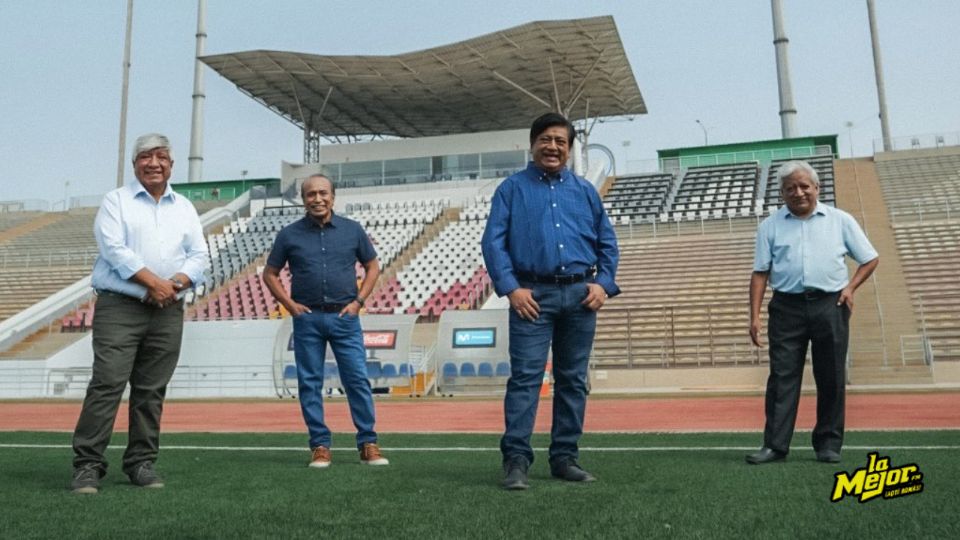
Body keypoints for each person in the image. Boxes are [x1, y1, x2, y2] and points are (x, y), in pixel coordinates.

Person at [481, 112, 620, 490]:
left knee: (572, 380)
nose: (553, 146)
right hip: (531, 297)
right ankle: (516, 461)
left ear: (570, 148)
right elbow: (493, 243)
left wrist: (603, 284)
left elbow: (607, 243)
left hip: (580, 296)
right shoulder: (511, 189)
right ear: (532, 144)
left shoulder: (585, 192)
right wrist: (511, 288)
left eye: (560, 140)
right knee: (525, 380)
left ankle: (564, 457)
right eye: (545, 139)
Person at [71, 134, 209, 494]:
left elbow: (199, 257)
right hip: (121, 306)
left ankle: (141, 463)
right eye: (146, 156)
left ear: (171, 165)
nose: (154, 163)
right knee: (107, 384)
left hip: (168, 308)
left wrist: (173, 284)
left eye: (161, 157)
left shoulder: (185, 208)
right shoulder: (116, 201)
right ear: (135, 164)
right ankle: (87, 465)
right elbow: (114, 250)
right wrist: (153, 283)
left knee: (151, 389)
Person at [746, 160, 879, 465]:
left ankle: (828, 444)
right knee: (781, 377)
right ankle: (775, 446)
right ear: (782, 193)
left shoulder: (840, 220)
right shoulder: (770, 226)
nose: (798, 192)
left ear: (817, 188)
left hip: (830, 304)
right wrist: (753, 316)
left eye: (805, 185)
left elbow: (870, 258)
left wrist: (850, 288)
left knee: (830, 375)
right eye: (790, 187)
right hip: (786, 307)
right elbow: (759, 273)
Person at [262, 174, 388, 468]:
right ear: (303, 199)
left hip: (345, 317)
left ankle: (368, 443)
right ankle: (319, 445)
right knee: (309, 382)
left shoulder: (352, 230)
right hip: (307, 319)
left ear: (333, 196)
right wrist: (290, 305)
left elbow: (372, 266)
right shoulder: (288, 235)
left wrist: (359, 302)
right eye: (310, 194)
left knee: (356, 379)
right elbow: (269, 273)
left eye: (323, 193)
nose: (317, 199)